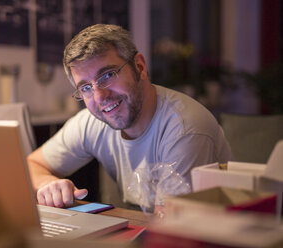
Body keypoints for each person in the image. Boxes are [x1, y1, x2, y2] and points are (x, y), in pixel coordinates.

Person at [27, 24, 232, 209]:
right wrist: (48, 184)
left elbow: (174, 226)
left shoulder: (185, 128)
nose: (100, 97)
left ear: (140, 67)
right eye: (86, 87)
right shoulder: (91, 123)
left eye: (107, 75)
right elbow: (31, 165)